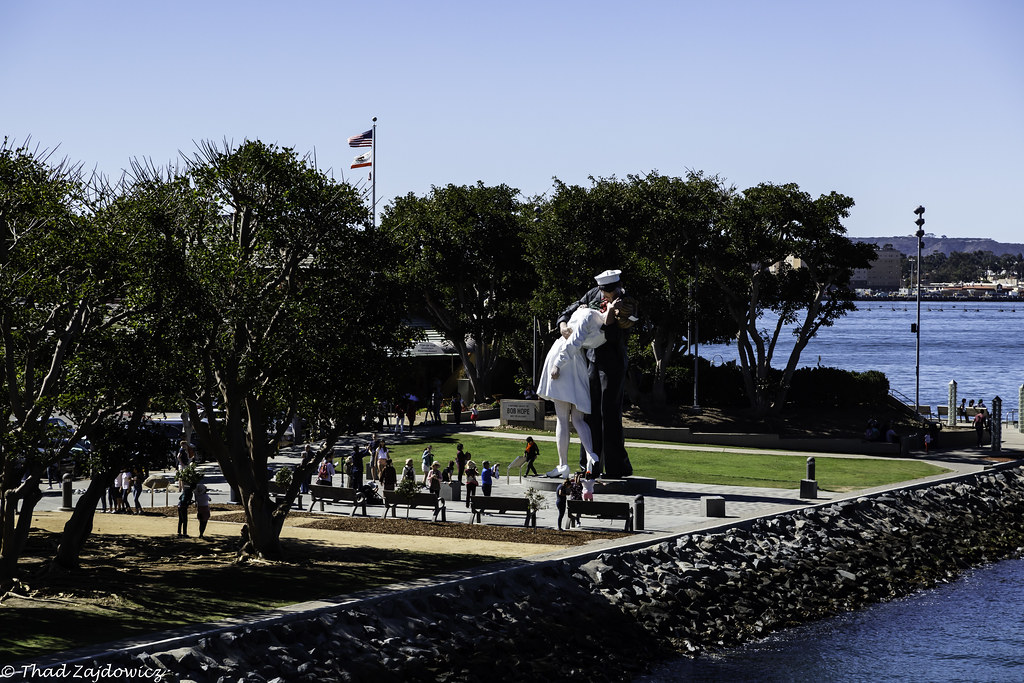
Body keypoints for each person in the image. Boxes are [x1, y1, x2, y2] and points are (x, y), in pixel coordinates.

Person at [556, 269, 638, 478]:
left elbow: (612, 335)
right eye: (604, 291)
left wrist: (611, 313)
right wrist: (563, 324)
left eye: (609, 291)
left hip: (613, 363)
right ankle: (589, 465)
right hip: (591, 361)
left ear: (618, 287)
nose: (606, 295)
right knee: (589, 413)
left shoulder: (626, 302)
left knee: (609, 413)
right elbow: (570, 309)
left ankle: (616, 467)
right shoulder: (594, 294)